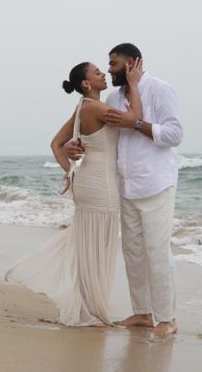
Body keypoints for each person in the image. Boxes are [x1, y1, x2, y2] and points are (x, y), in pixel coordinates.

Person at [3, 60, 144, 326]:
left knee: (88, 244)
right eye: (97, 72)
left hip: (87, 181)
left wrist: (69, 170)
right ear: (86, 84)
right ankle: (90, 308)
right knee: (97, 245)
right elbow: (135, 119)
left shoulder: (81, 108)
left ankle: (87, 306)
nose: (103, 74)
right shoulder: (98, 108)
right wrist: (134, 85)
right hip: (100, 185)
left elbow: (56, 143)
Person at [67, 43, 183, 336]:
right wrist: (74, 144)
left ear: (132, 63)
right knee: (133, 253)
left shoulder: (160, 89)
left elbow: (174, 134)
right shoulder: (112, 97)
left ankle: (167, 318)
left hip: (155, 183)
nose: (108, 69)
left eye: (114, 64)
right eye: (106, 64)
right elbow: (104, 136)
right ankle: (143, 313)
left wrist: (139, 123)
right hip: (124, 185)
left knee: (157, 252)